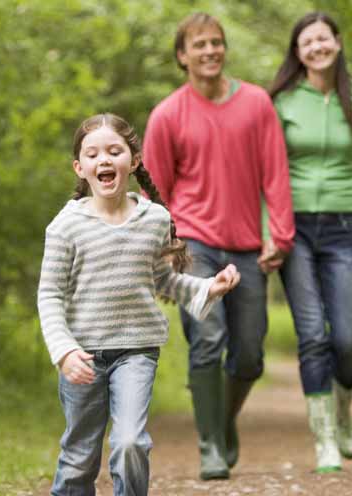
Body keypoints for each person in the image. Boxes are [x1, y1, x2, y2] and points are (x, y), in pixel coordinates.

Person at [38, 113, 242, 496]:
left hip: (136, 351)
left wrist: (209, 288)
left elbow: (161, 281)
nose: (104, 160)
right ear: (80, 167)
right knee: (80, 455)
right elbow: (49, 294)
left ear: (133, 161)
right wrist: (64, 352)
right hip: (81, 357)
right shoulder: (65, 227)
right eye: (93, 154)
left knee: (130, 443)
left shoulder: (154, 219)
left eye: (115, 151)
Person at [142, 12, 295, 480]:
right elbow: (154, 191)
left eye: (216, 42)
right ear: (182, 56)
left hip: (248, 246)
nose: (210, 50)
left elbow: (275, 172)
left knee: (249, 354)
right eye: (199, 44)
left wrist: (280, 235)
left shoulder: (255, 103)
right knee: (208, 341)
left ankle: (221, 421)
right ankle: (210, 445)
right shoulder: (168, 114)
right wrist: (166, 251)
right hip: (194, 246)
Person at [266, 11, 352, 473]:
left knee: (347, 338)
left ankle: (343, 410)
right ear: (297, 52)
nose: (316, 47)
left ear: (337, 42)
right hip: (293, 229)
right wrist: (269, 229)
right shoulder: (283, 102)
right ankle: (324, 439)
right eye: (306, 42)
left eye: (323, 38)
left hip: (341, 226)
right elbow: (267, 169)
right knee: (312, 335)